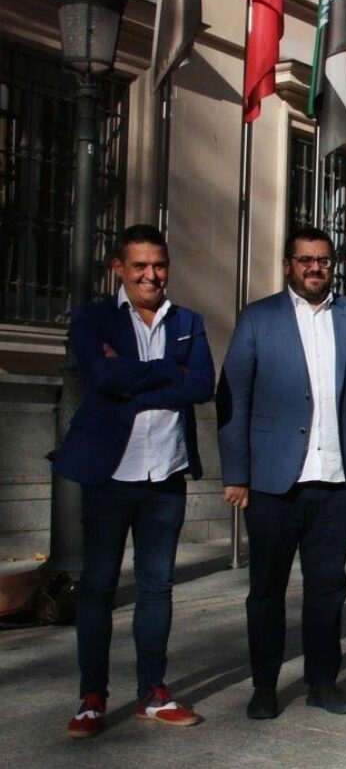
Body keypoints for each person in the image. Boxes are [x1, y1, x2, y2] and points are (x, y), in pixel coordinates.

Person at [54, 224, 215, 738]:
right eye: (140, 265)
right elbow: (101, 380)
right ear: (118, 268)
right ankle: (92, 697)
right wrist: (170, 375)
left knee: (156, 587)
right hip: (111, 475)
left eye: (160, 264)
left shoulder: (188, 320)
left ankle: (153, 692)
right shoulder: (93, 318)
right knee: (98, 588)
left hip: (165, 474)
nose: (152, 275)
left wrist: (136, 379)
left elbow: (203, 384)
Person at [217, 226, 346, 720]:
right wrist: (236, 474)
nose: (315, 268)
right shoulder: (258, 318)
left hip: (335, 481)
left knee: (327, 589)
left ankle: (323, 683)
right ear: (289, 264)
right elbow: (233, 397)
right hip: (271, 483)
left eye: (324, 261)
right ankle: (264, 686)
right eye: (306, 260)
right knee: (266, 590)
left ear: (333, 265)